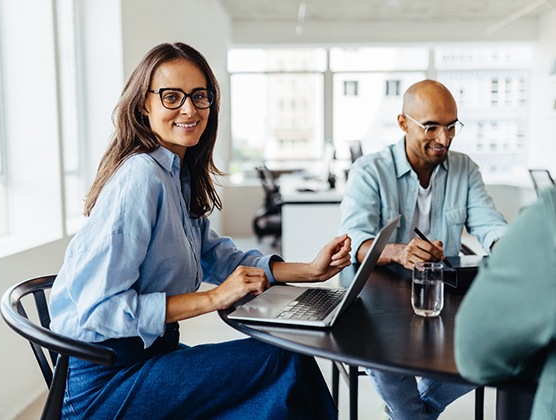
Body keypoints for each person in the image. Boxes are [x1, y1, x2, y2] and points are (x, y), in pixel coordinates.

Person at [48, 42, 352, 419]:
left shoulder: (178, 175)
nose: (189, 109)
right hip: (105, 380)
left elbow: (219, 256)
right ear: (144, 104)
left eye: (199, 96)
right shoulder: (141, 177)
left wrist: (309, 270)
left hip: (151, 356)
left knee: (282, 379)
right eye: (172, 97)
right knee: (282, 363)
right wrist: (215, 299)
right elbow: (100, 311)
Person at [338, 79, 508, 419]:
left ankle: (416, 412)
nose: (443, 139)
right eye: (431, 127)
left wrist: (510, 247)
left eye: (451, 127)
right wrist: (400, 252)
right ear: (403, 123)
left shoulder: (465, 169)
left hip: (440, 291)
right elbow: (354, 240)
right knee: (381, 347)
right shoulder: (370, 171)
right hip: (378, 294)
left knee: (502, 339)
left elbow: (490, 225)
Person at [455, 186, 556, 420]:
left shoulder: (549, 220)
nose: (444, 145)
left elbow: (474, 353)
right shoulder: (371, 171)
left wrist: (510, 252)